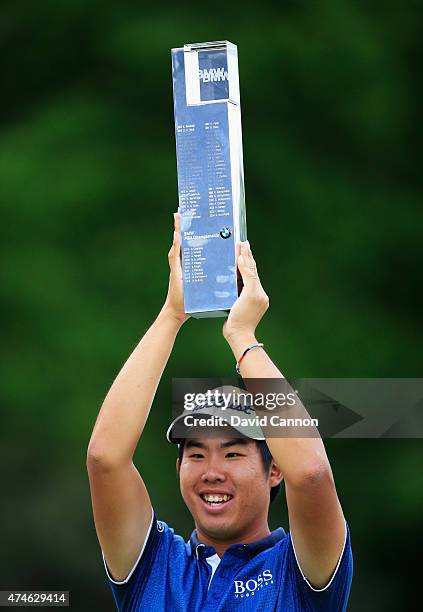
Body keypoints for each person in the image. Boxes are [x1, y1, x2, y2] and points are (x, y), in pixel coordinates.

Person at [87, 212, 353, 611]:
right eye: (196, 454)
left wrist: (242, 335)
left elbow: (313, 474)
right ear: (178, 468)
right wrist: (172, 315)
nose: (212, 471)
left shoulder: (297, 571)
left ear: (275, 468)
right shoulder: (155, 565)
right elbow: (104, 458)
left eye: (232, 452)